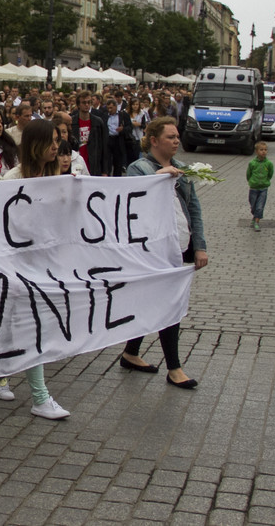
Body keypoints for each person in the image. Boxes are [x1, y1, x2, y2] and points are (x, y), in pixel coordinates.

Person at [120, 116, 206, 389]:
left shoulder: (182, 169)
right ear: (154, 141)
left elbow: (194, 209)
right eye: (171, 137)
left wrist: (200, 245)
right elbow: (131, 198)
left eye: (177, 136)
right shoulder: (139, 168)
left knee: (152, 302)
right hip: (152, 250)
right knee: (169, 304)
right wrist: (158, 178)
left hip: (179, 245)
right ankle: (175, 368)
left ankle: (130, 353)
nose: (177, 141)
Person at [0, 120, 72, 420]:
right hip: (18, 264)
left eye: (58, 140)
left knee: (14, 320)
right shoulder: (12, 179)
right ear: (35, 145)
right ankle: (40, 397)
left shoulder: (60, 177)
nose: (57, 147)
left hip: (48, 264)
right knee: (32, 324)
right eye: (52, 141)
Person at [74, 91, 111, 176]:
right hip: (77, 163)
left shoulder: (98, 122)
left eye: (89, 102)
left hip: (94, 163)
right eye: (84, 102)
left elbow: (104, 146)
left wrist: (105, 170)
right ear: (78, 105)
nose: (87, 105)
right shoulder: (72, 121)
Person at [246, 142, 274, 231]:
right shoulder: (252, 163)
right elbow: (248, 174)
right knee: (253, 206)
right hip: (253, 188)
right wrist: (251, 181)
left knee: (260, 206)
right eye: (261, 150)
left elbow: (270, 174)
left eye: (265, 150)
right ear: (256, 151)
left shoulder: (269, 163)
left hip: (263, 188)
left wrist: (266, 181)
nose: (263, 152)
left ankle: (257, 222)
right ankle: (254, 216)